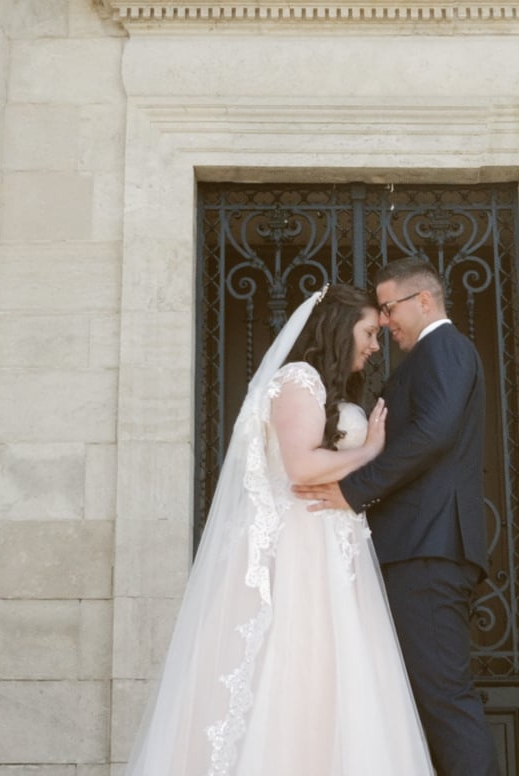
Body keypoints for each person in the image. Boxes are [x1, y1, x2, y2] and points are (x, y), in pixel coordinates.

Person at [122, 283, 434, 775]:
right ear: (338, 328)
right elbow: (300, 467)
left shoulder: (328, 390)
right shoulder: (297, 380)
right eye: (369, 332)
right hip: (297, 545)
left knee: (335, 675)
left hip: (333, 545)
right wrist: (371, 452)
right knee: (290, 667)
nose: (375, 345)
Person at [297, 257, 500, 776]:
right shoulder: (431, 356)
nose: (385, 322)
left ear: (423, 301)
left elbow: (431, 434)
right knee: (420, 701)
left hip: (428, 551)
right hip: (414, 549)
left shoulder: (446, 348)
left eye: (389, 308)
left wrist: (353, 490)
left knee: (444, 699)